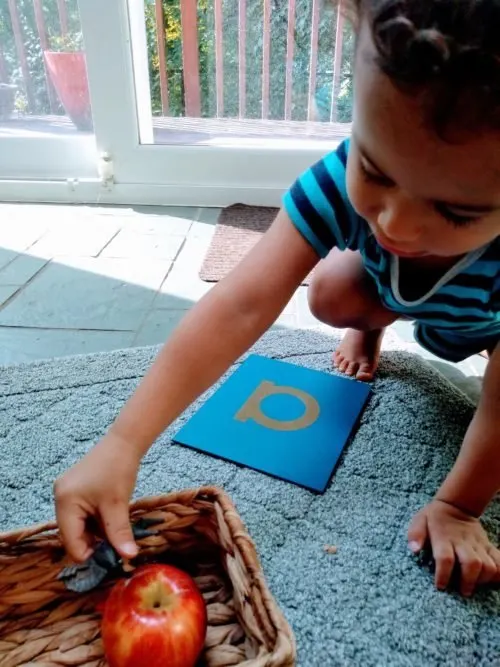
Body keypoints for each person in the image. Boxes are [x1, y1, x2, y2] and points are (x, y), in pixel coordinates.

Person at [54, 0, 500, 598]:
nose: (397, 224)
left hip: (484, 327)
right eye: (375, 168)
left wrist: (461, 508)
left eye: (455, 211)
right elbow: (239, 303)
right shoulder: (337, 179)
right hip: (394, 292)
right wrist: (122, 441)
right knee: (328, 291)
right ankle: (374, 321)